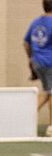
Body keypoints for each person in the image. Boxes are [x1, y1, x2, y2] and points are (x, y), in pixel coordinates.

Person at [24, 0, 52, 136]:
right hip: (50, 62)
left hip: (38, 62)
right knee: (51, 92)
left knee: (47, 92)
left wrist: (31, 58)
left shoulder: (36, 22)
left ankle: (24, 118)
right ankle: (51, 127)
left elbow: (25, 42)